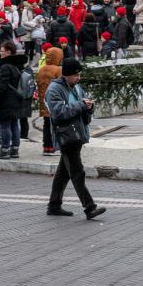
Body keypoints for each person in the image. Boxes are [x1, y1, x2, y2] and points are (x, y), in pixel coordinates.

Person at [44, 58, 105, 219]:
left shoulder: (77, 87)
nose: (79, 78)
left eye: (79, 75)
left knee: (63, 172)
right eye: (76, 75)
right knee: (77, 172)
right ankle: (89, 207)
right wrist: (81, 105)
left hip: (76, 134)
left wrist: (89, 107)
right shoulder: (54, 90)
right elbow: (58, 112)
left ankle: (54, 205)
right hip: (66, 136)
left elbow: (84, 105)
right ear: (67, 75)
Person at [0, 42, 27, 160]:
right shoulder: (17, 65)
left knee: (5, 125)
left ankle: (4, 150)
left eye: (2, 51)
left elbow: (1, 86)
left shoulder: (5, 67)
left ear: (8, 52)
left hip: (5, 101)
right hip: (15, 100)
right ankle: (14, 150)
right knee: (14, 124)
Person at [36, 46, 63, 156]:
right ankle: (53, 147)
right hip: (55, 102)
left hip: (44, 102)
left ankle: (46, 147)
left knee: (46, 125)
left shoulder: (42, 69)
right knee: (56, 125)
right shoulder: (58, 70)